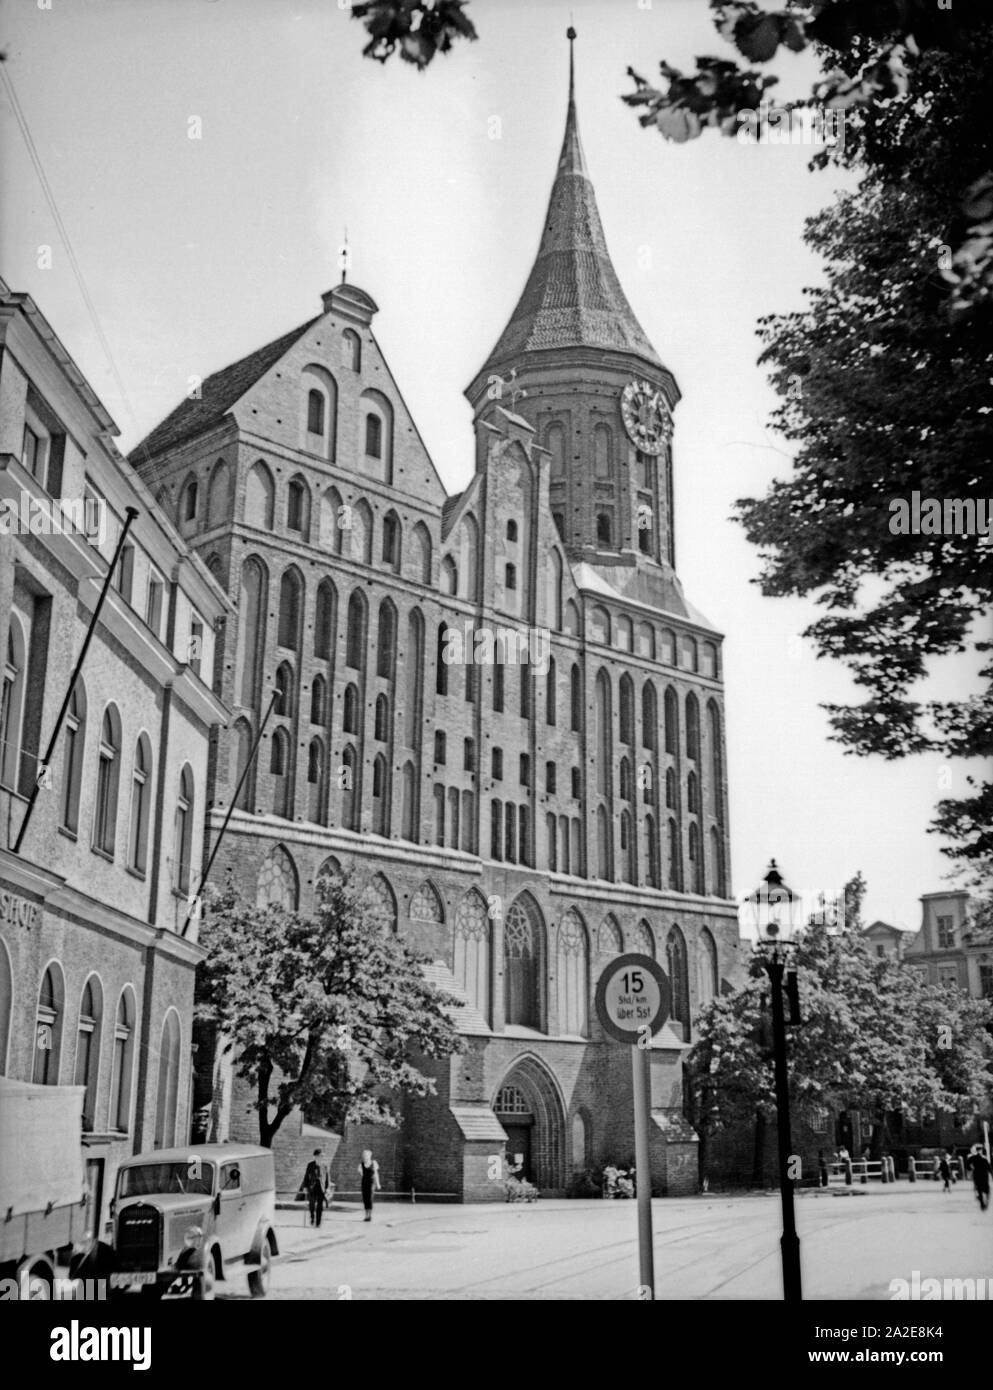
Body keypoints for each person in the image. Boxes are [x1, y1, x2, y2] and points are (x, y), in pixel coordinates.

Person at [302, 1149, 329, 1227]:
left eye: (322, 1156)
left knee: (320, 1205)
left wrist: (327, 1188)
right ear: (315, 1157)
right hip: (312, 1187)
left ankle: (318, 1222)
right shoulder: (310, 1165)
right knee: (312, 1204)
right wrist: (305, 1187)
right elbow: (306, 1176)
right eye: (319, 1156)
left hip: (321, 1188)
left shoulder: (324, 1166)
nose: (321, 1158)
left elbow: (327, 1177)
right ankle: (312, 1217)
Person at [358, 1149, 381, 1222]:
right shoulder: (361, 1165)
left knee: (370, 1198)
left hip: (371, 1182)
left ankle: (370, 1215)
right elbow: (361, 1174)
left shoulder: (374, 1163)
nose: (365, 1157)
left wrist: (378, 1184)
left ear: (369, 1156)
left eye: (366, 1156)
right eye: (364, 1156)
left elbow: (376, 1174)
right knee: (365, 1198)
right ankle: (366, 1215)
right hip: (364, 1182)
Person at [966, 1145, 991, 1212]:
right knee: (986, 1190)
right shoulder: (984, 1158)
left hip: (977, 1175)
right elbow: (989, 1167)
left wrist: (971, 1169)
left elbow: (967, 1165)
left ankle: (982, 1204)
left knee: (979, 1189)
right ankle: (985, 1202)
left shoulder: (972, 1158)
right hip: (984, 1175)